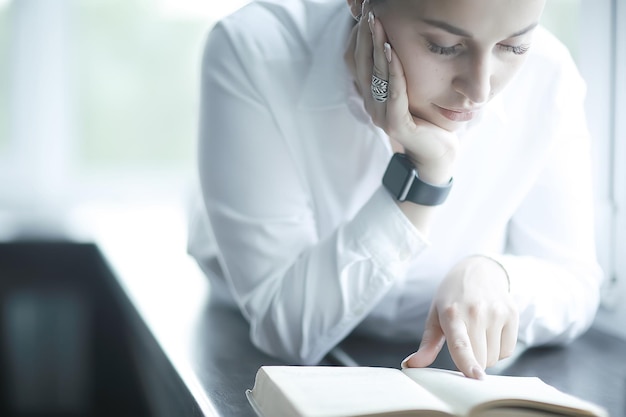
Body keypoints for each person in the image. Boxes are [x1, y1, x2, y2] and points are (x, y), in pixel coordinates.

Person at [187, 0, 604, 379]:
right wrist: (423, 177)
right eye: (443, 46)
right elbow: (285, 326)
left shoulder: (549, 75)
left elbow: (576, 283)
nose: (480, 90)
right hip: (237, 344)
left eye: (514, 47)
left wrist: (496, 277)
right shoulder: (256, 52)